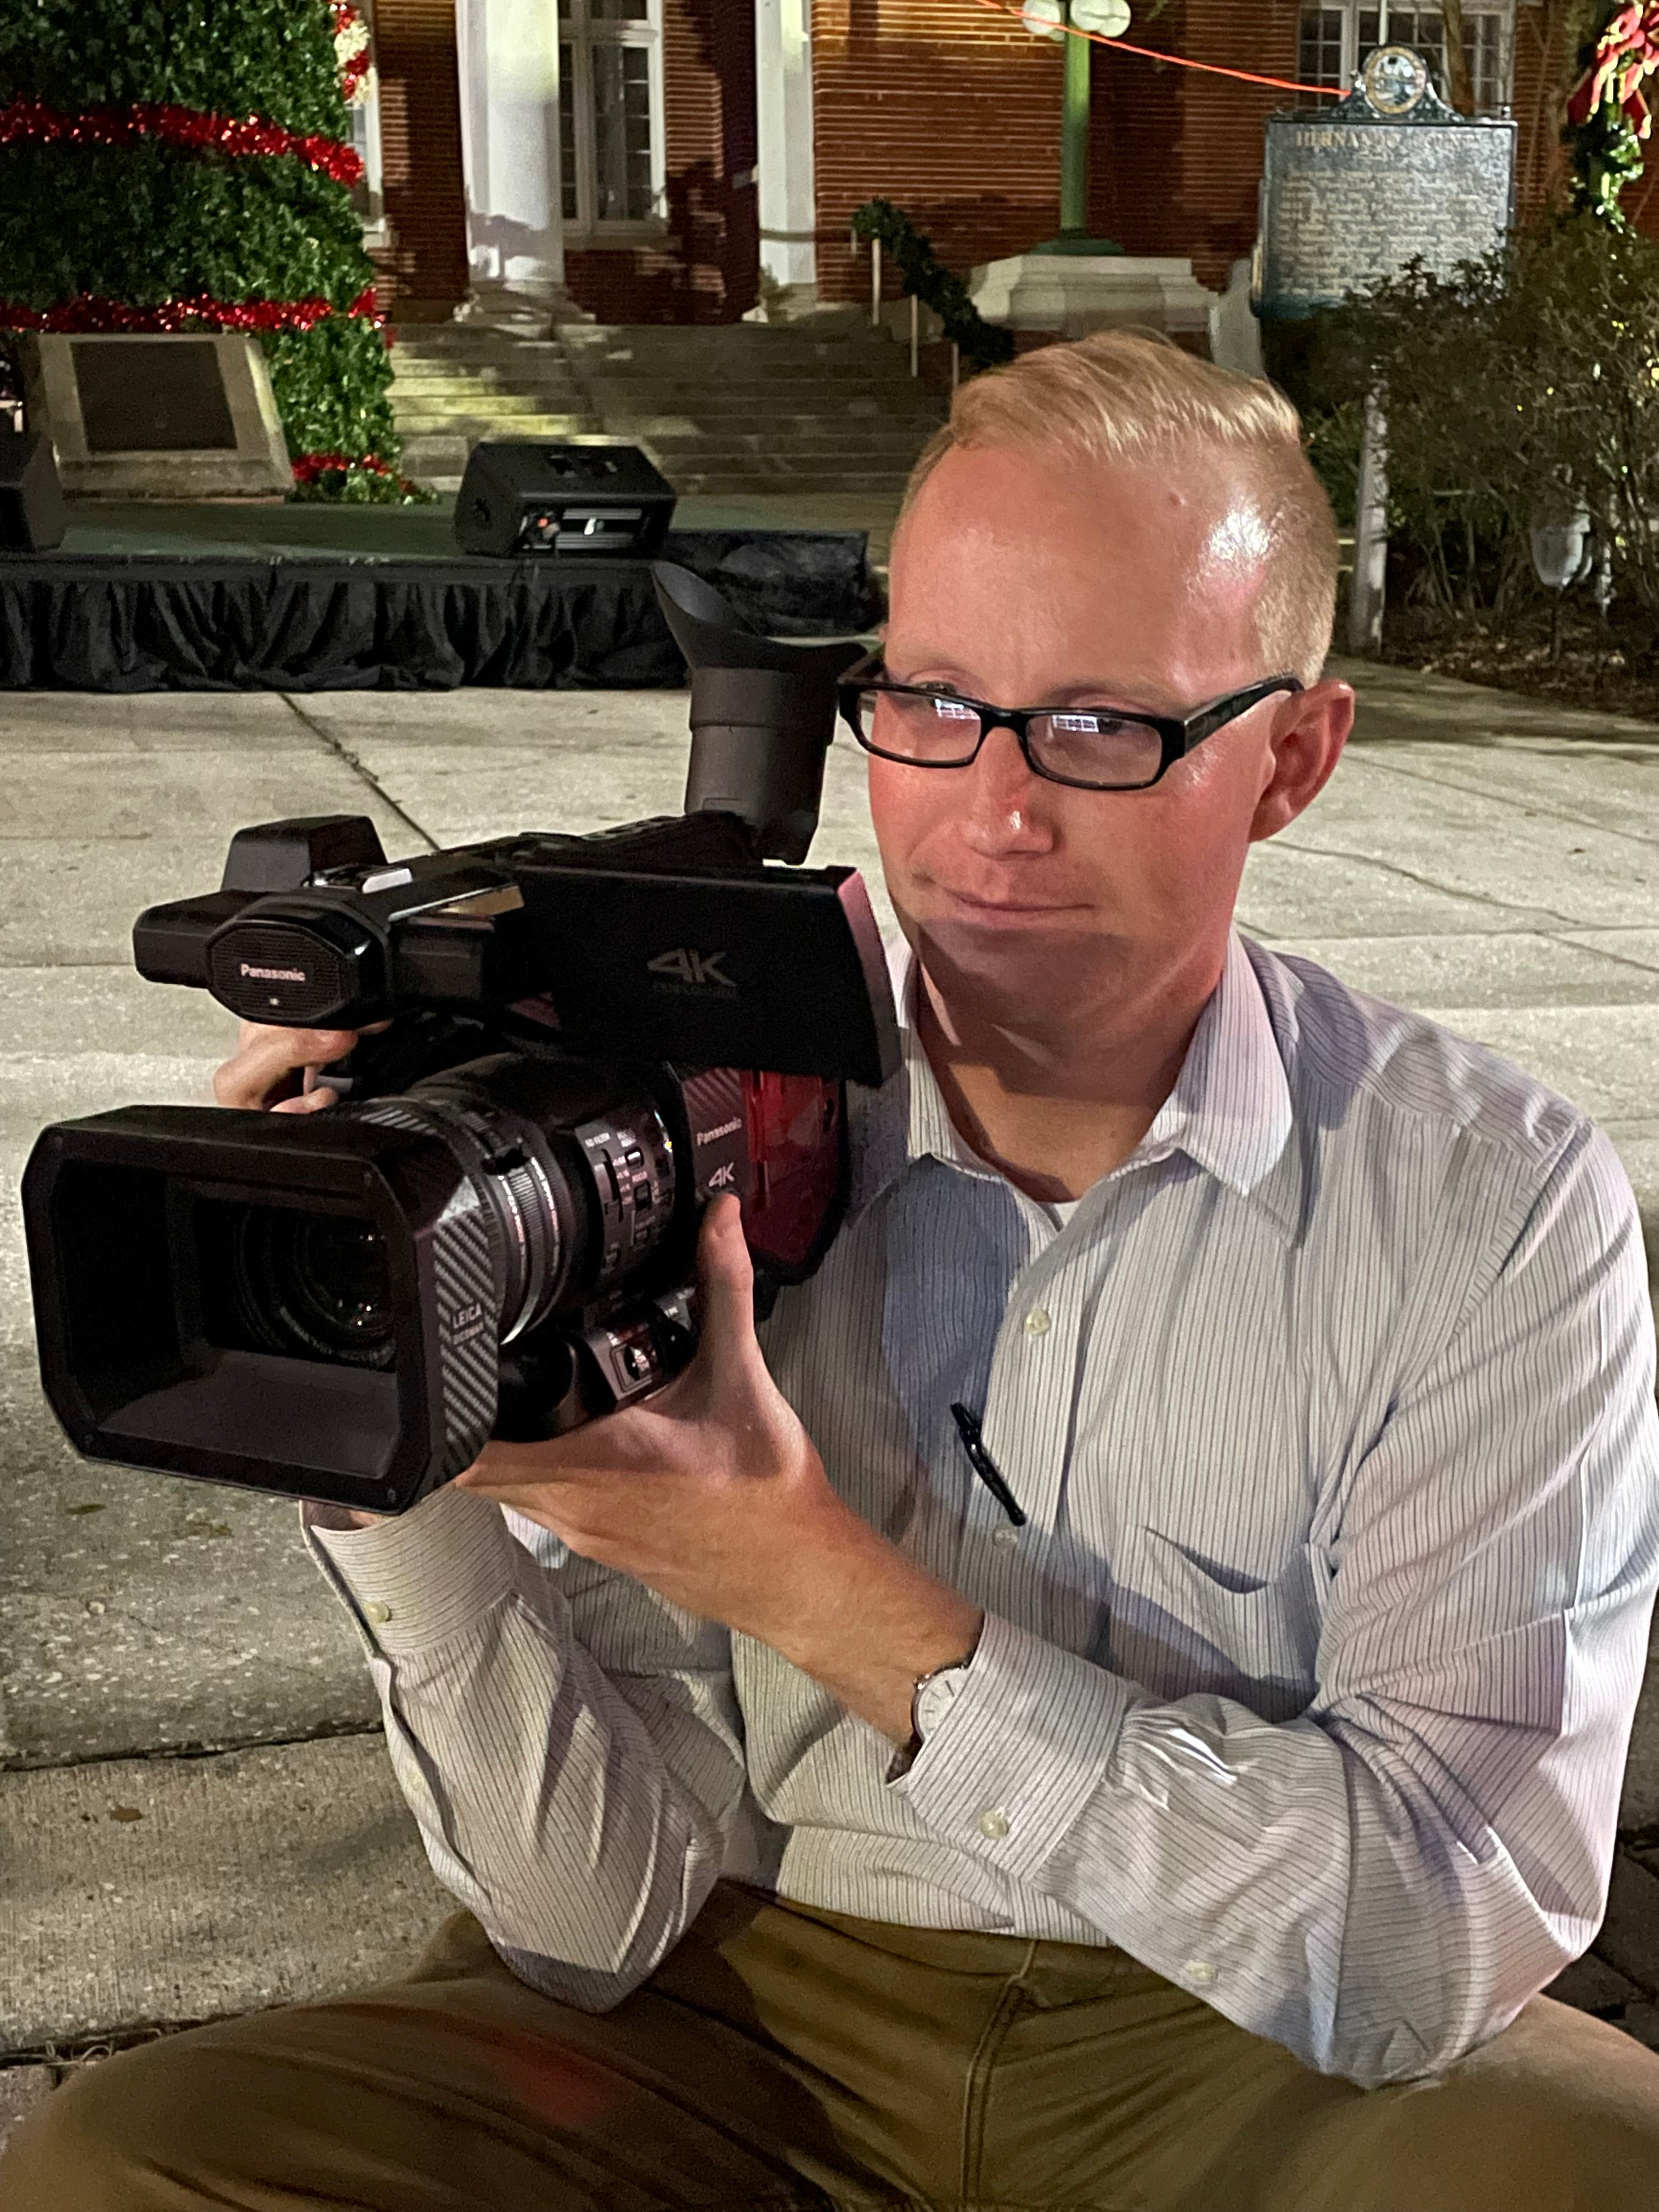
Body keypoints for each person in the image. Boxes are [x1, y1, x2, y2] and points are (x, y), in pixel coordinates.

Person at [5, 329, 1659, 2212]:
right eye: (935, 701)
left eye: (1106, 726)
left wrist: (818, 1585)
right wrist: (395, 1435)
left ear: (1292, 757)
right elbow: (590, 1917)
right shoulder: (680, 1098)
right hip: (742, 1990)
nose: (992, 812)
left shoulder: (1487, 1199)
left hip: (1243, 2034)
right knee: (121, 2167)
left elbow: (1433, 1930)